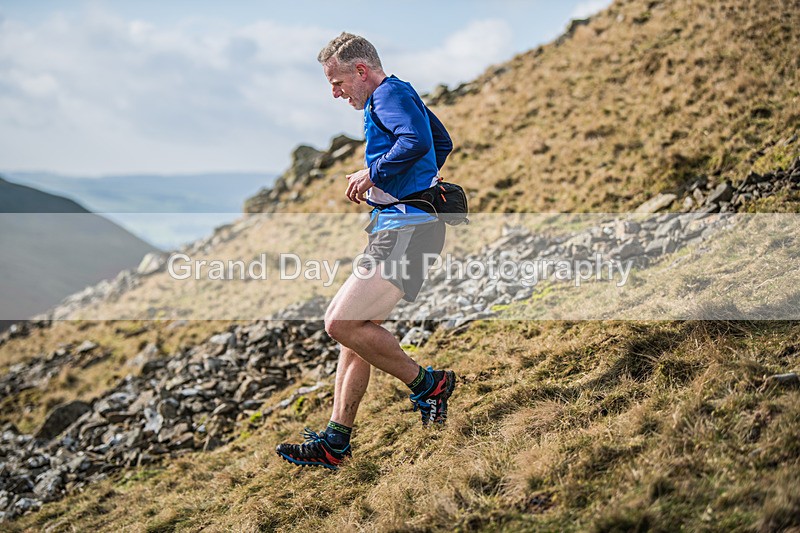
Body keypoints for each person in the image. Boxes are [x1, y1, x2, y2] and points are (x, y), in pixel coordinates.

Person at [276, 32, 456, 470]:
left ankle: (429, 384)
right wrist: (413, 184)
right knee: (355, 333)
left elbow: (415, 140)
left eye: (337, 83)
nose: (335, 93)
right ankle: (336, 441)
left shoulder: (388, 94)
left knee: (339, 323)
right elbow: (440, 142)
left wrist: (374, 174)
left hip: (409, 230)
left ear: (360, 71)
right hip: (400, 227)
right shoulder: (398, 92)